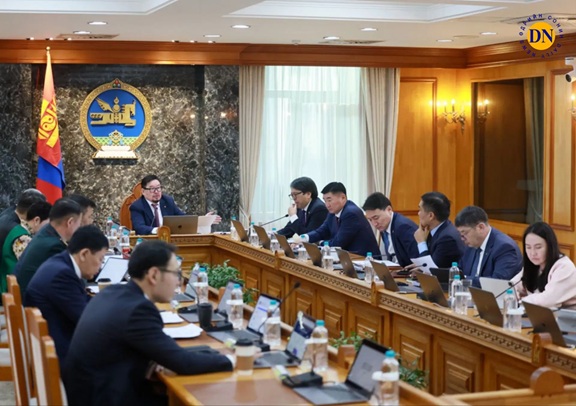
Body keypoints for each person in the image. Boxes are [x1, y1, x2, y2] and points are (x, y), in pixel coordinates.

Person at [63, 240, 233, 406]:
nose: (178, 282)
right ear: (153, 275)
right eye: (176, 274)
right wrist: (233, 359)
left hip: (89, 392)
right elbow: (183, 363)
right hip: (107, 398)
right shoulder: (138, 310)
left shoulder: (113, 291)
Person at [24, 225, 108, 362]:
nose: (100, 266)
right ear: (84, 254)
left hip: (54, 343)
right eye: (100, 259)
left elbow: (83, 301)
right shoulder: (61, 275)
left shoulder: (61, 263)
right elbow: (87, 319)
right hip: (59, 355)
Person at [14, 198, 83, 294]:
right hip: (33, 299)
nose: (79, 229)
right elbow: (69, 279)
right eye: (79, 224)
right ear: (70, 222)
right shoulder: (54, 246)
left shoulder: (45, 232)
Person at [510, 222, 576, 309]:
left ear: (550, 246)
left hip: (568, 316)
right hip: (540, 314)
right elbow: (511, 286)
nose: (532, 253)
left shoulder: (564, 267)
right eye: (528, 247)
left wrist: (521, 301)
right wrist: (512, 295)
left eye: (538, 247)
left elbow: (548, 300)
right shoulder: (534, 265)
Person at [302, 182, 379, 256]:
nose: (327, 205)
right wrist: (304, 238)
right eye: (325, 201)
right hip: (347, 258)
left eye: (329, 200)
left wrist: (320, 243)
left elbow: (338, 243)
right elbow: (321, 231)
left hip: (364, 258)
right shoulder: (332, 213)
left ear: (343, 198)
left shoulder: (351, 213)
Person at [455, 206, 523, 287]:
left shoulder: (505, 247)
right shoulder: (471, 244)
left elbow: (497, 282)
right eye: (460, 234)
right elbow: (459, 270)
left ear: (481, 227)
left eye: (464, 233)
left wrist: (464, 280)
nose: (462, 238)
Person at [130, 174, 220, 235]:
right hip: (149, 244)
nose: (156, 192)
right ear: (143, 191)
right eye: (152, 189)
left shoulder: (167, 201)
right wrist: (160, 230)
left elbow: (183, 218)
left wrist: (204, 220)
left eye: (158, 188)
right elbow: (139, 228)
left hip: (170, 241)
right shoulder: (137, 206)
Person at [0, 201, 52, 292]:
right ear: (37, 220)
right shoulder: (22, 237)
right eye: (48, 224)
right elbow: (33, 267)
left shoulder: (17, 229)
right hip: (14, 289)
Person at [362, 192, 419, 267]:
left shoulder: (403, 227)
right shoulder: (384, 226)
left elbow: (417, 261)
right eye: (370, 220)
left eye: (376, 218)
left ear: (389, 210)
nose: (374, 224)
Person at [414, 191, 466, 268]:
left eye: (420, 210)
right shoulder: (438, 230)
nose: (418, 213)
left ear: (431, 216)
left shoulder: (447, 238)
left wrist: (421, 243)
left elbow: (431, 270)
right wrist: (418, 266)